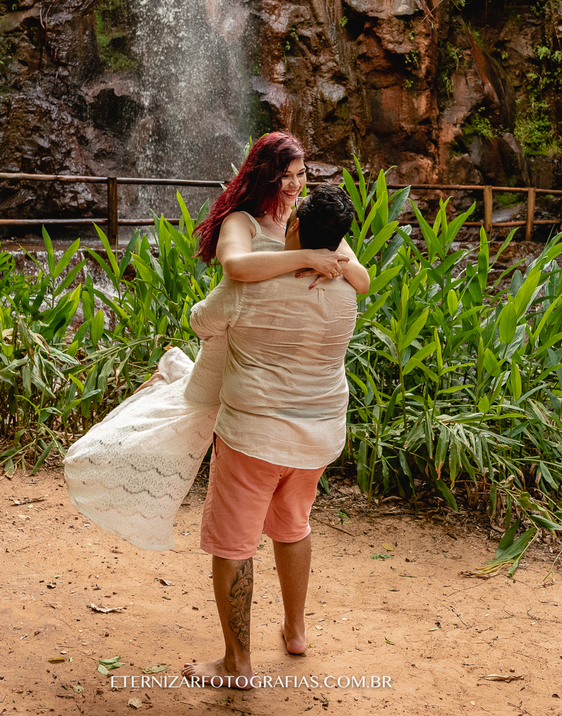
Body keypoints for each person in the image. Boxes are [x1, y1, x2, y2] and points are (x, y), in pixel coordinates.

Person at [64, 133, 367, 550]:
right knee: (195, 405)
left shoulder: (308, 220)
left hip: (266, 347)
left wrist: (333, 261)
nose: (296, 185)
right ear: (265, 176)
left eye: (301, 175)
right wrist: (306, 258)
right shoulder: (243, 221)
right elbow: (237, 266)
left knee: (210, 411)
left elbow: (362, 280)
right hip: (234, 337)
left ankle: (173, 367)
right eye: (286, 176)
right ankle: (168, 378)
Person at [183, 184, 361, 689]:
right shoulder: (348, 290)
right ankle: (295, 631)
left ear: (296, 227)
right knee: (293, 526)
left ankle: (237, 664)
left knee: (234, 544)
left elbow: (201, 322)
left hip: (252, 437)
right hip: (317, 438)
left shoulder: (250, 287)